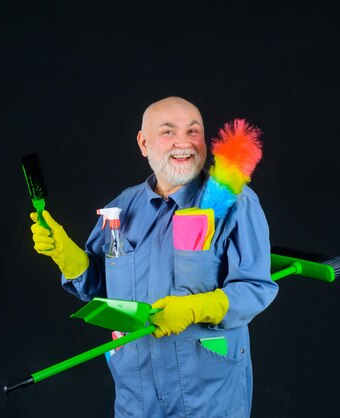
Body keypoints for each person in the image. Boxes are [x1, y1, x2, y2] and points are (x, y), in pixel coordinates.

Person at [30, 96, 278, 418]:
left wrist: (195, 308)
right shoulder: (122, 207)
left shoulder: (236, 203)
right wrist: (67, 256)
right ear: (143, 143)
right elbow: (102, 293)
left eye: (193, 132)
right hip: (137, 398)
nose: (183, 143)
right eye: (168, 132)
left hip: (208, 396)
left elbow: (257, 287)